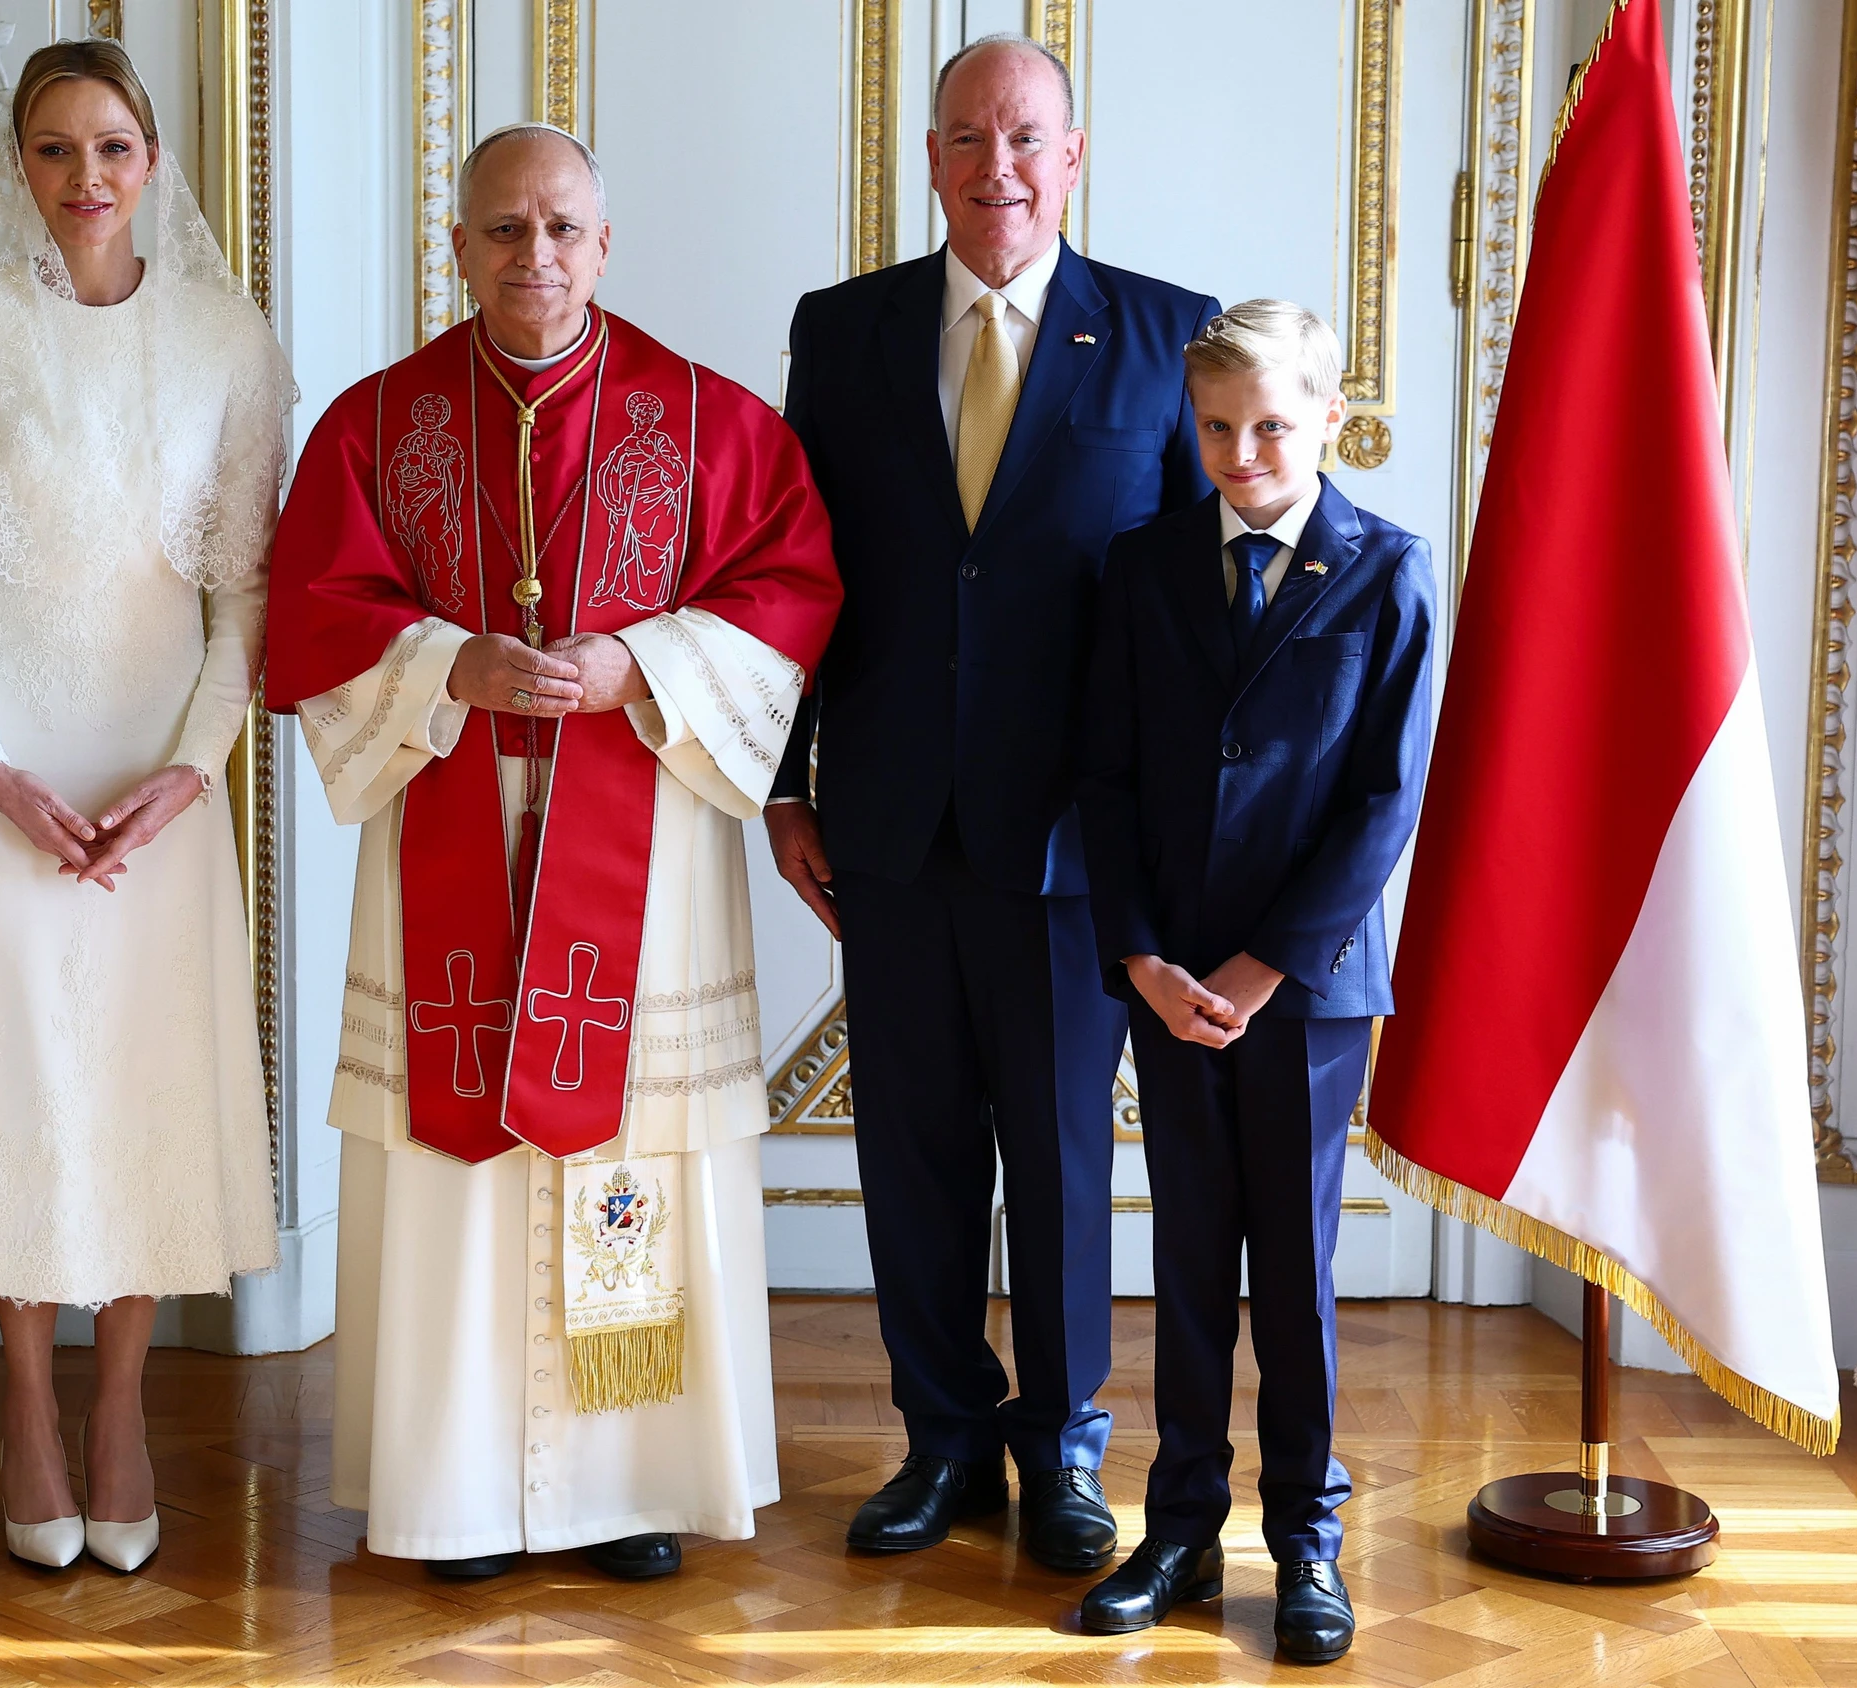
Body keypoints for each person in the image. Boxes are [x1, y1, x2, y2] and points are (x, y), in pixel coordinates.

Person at [264, 123, 840, 1583]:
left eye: (564, 228)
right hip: (445, 812)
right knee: (458, 1165)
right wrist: (450, 669)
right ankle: (452, 1487)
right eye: (505, 230)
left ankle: (626, 1478)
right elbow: (319, 608)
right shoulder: (377, 423)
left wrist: (640, 667)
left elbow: (789, 586)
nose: (537, 257)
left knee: (622, 1156)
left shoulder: (706, 422)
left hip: (638, 844)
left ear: (605, 243)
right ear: (455, 247)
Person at [769, 33, 1218, 1562]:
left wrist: (1182, 841)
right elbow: (792, 581)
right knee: (912, 1149)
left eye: (1025, 137)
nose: (997, 167)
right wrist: (783, 784)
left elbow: (1192, 616)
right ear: (934, 160)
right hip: (886, 820)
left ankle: (1067, 1448)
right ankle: (943, 1440)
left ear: (1072, 157)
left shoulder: (1166, 339)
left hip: (1075, 840)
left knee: (1063, 1158)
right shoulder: (842, 334)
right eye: (967, 138)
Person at [0, 38, 290, 1576]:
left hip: (157, 774)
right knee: (15, 1075)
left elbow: (243, 594)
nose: (86, 177)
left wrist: (191, 771)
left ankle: (121, 1410)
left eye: (112, 146)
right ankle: (30, 1409)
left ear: (156, 161)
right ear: (16, 168)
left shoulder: (228, 340)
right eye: (55, 150)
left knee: (137, 1080)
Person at [1074, 301, 1435, 1663]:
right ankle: (1175, 1531)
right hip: (1170, 981)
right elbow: (1103, 780)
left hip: (1305, 987)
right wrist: (1145, 956)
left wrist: (1261, 962)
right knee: (1184, 1262)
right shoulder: (1144, 565)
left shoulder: (1386, 571)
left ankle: (1305, 1539)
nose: (1239, 452)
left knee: (1293, 1268)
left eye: (1270, 426)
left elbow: (1381, 804)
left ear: (1328, 420)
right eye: (1216, 426)